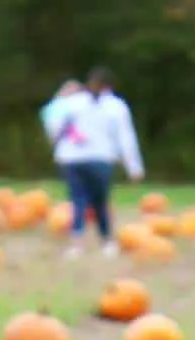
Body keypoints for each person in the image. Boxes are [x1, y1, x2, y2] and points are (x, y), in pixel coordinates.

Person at [41, 66, 144, 257]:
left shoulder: (73, 102)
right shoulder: (116, 106)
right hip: (100, 158)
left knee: (78, 200)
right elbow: (126, 137)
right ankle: (106, 242)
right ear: (109, 86)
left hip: (72, 158)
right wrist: (134, 167)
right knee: (99, 201)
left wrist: (56, 144)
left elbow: (54, 120)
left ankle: (77, 244)